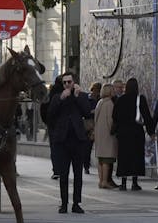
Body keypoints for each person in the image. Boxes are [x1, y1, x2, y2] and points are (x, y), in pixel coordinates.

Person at [45, 71, 92, 214]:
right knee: (63, 174)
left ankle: (76, 203)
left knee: (78, 174)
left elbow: (87, 112)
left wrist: (77, 97)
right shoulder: (56, 97)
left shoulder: (81, 96)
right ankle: (64, 203)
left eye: (69, 82)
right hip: (62, 141)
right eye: (64, 82)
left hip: (78, 140)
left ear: (74, 82)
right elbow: (50, 115)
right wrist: (60, 98)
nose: (67, 85)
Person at [113, 76, 150, 190]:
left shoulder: (121, 100)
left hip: (124, 133)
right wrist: (151, 131)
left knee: (124, 156)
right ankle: (134, 182)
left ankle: (123, 182)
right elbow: (147, 116)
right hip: (136, 132)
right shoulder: (141, 99)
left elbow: (115, 116)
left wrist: (117, 129)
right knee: (136, 156)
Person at [92, 81, 118, 189]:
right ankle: (105, 181)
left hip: (99, 133)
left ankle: (100, 180)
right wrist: (114, 131)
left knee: (101, 159)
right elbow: (110, 120)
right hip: (107, 134)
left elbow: (95, 118)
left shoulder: (100, 102)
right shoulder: (110, 104)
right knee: (107, 159)